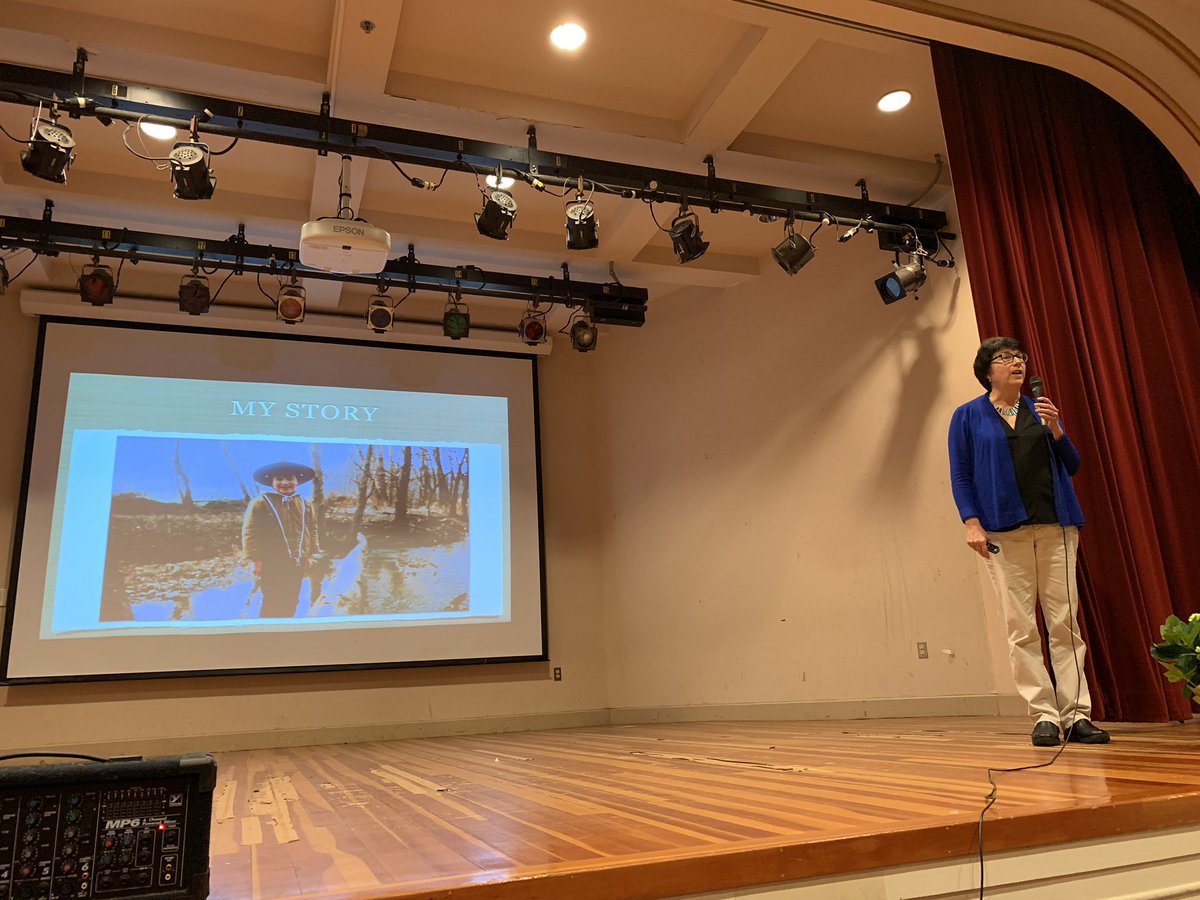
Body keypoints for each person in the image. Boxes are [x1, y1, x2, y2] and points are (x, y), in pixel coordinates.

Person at [948, 337, 1110, 747]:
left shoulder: (1040, 410)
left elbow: (1073, 464)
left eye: (1019, 357)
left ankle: (1076, 714)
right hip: (1003, 531)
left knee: (1064, 623)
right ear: (987, 370)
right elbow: (961, 474)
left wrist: (1056, 428)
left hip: (1056, 525)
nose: (1016, 362)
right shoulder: (967, 416)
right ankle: (1045, 715)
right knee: (1021, 627)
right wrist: (971, 522)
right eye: (1005, 357)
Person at [242, 461, 321, 618]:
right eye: (279, 479)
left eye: (290, 478)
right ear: (272, 482)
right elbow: (250, 531)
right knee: (273, 599)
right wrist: (255, 559)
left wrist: (310, 554)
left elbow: (312, 529)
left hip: (297, 561)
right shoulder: (260, 503)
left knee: (292, 598)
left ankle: (287, 627)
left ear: (297, 481)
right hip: (271, 561)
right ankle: (268, 630)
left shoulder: (305, 504)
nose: (285, 483)